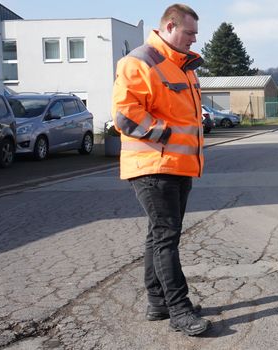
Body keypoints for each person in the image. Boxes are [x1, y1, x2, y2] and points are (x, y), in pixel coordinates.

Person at [111, 3, 209, 336]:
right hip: (153, 165)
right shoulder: (139, 61)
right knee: (167, 236)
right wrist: (164, 134)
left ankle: (158, 302)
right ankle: (179, 310)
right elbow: (125, 114)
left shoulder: (184, 66)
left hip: (178, 165)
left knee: (159, 234)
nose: (194, 39)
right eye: (189, 32)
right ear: (169, 27)